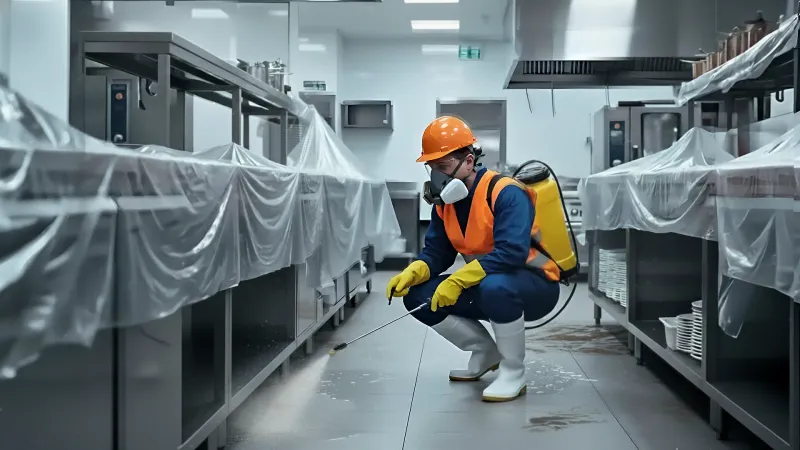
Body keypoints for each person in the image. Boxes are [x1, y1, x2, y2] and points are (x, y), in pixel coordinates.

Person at [386, 116, 561, 402]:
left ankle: (513, 371)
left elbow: (512, 252)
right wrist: (415, 270)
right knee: (417, 297)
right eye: (432, 169)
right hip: (489, 281)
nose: (436, 178)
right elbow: (437, 253)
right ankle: (485, 350)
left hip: (535, 284)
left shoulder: (506, 192)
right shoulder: (446, 204)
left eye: (442, 168)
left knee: (496, 288)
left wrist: (458, 279)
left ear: (468, 161)